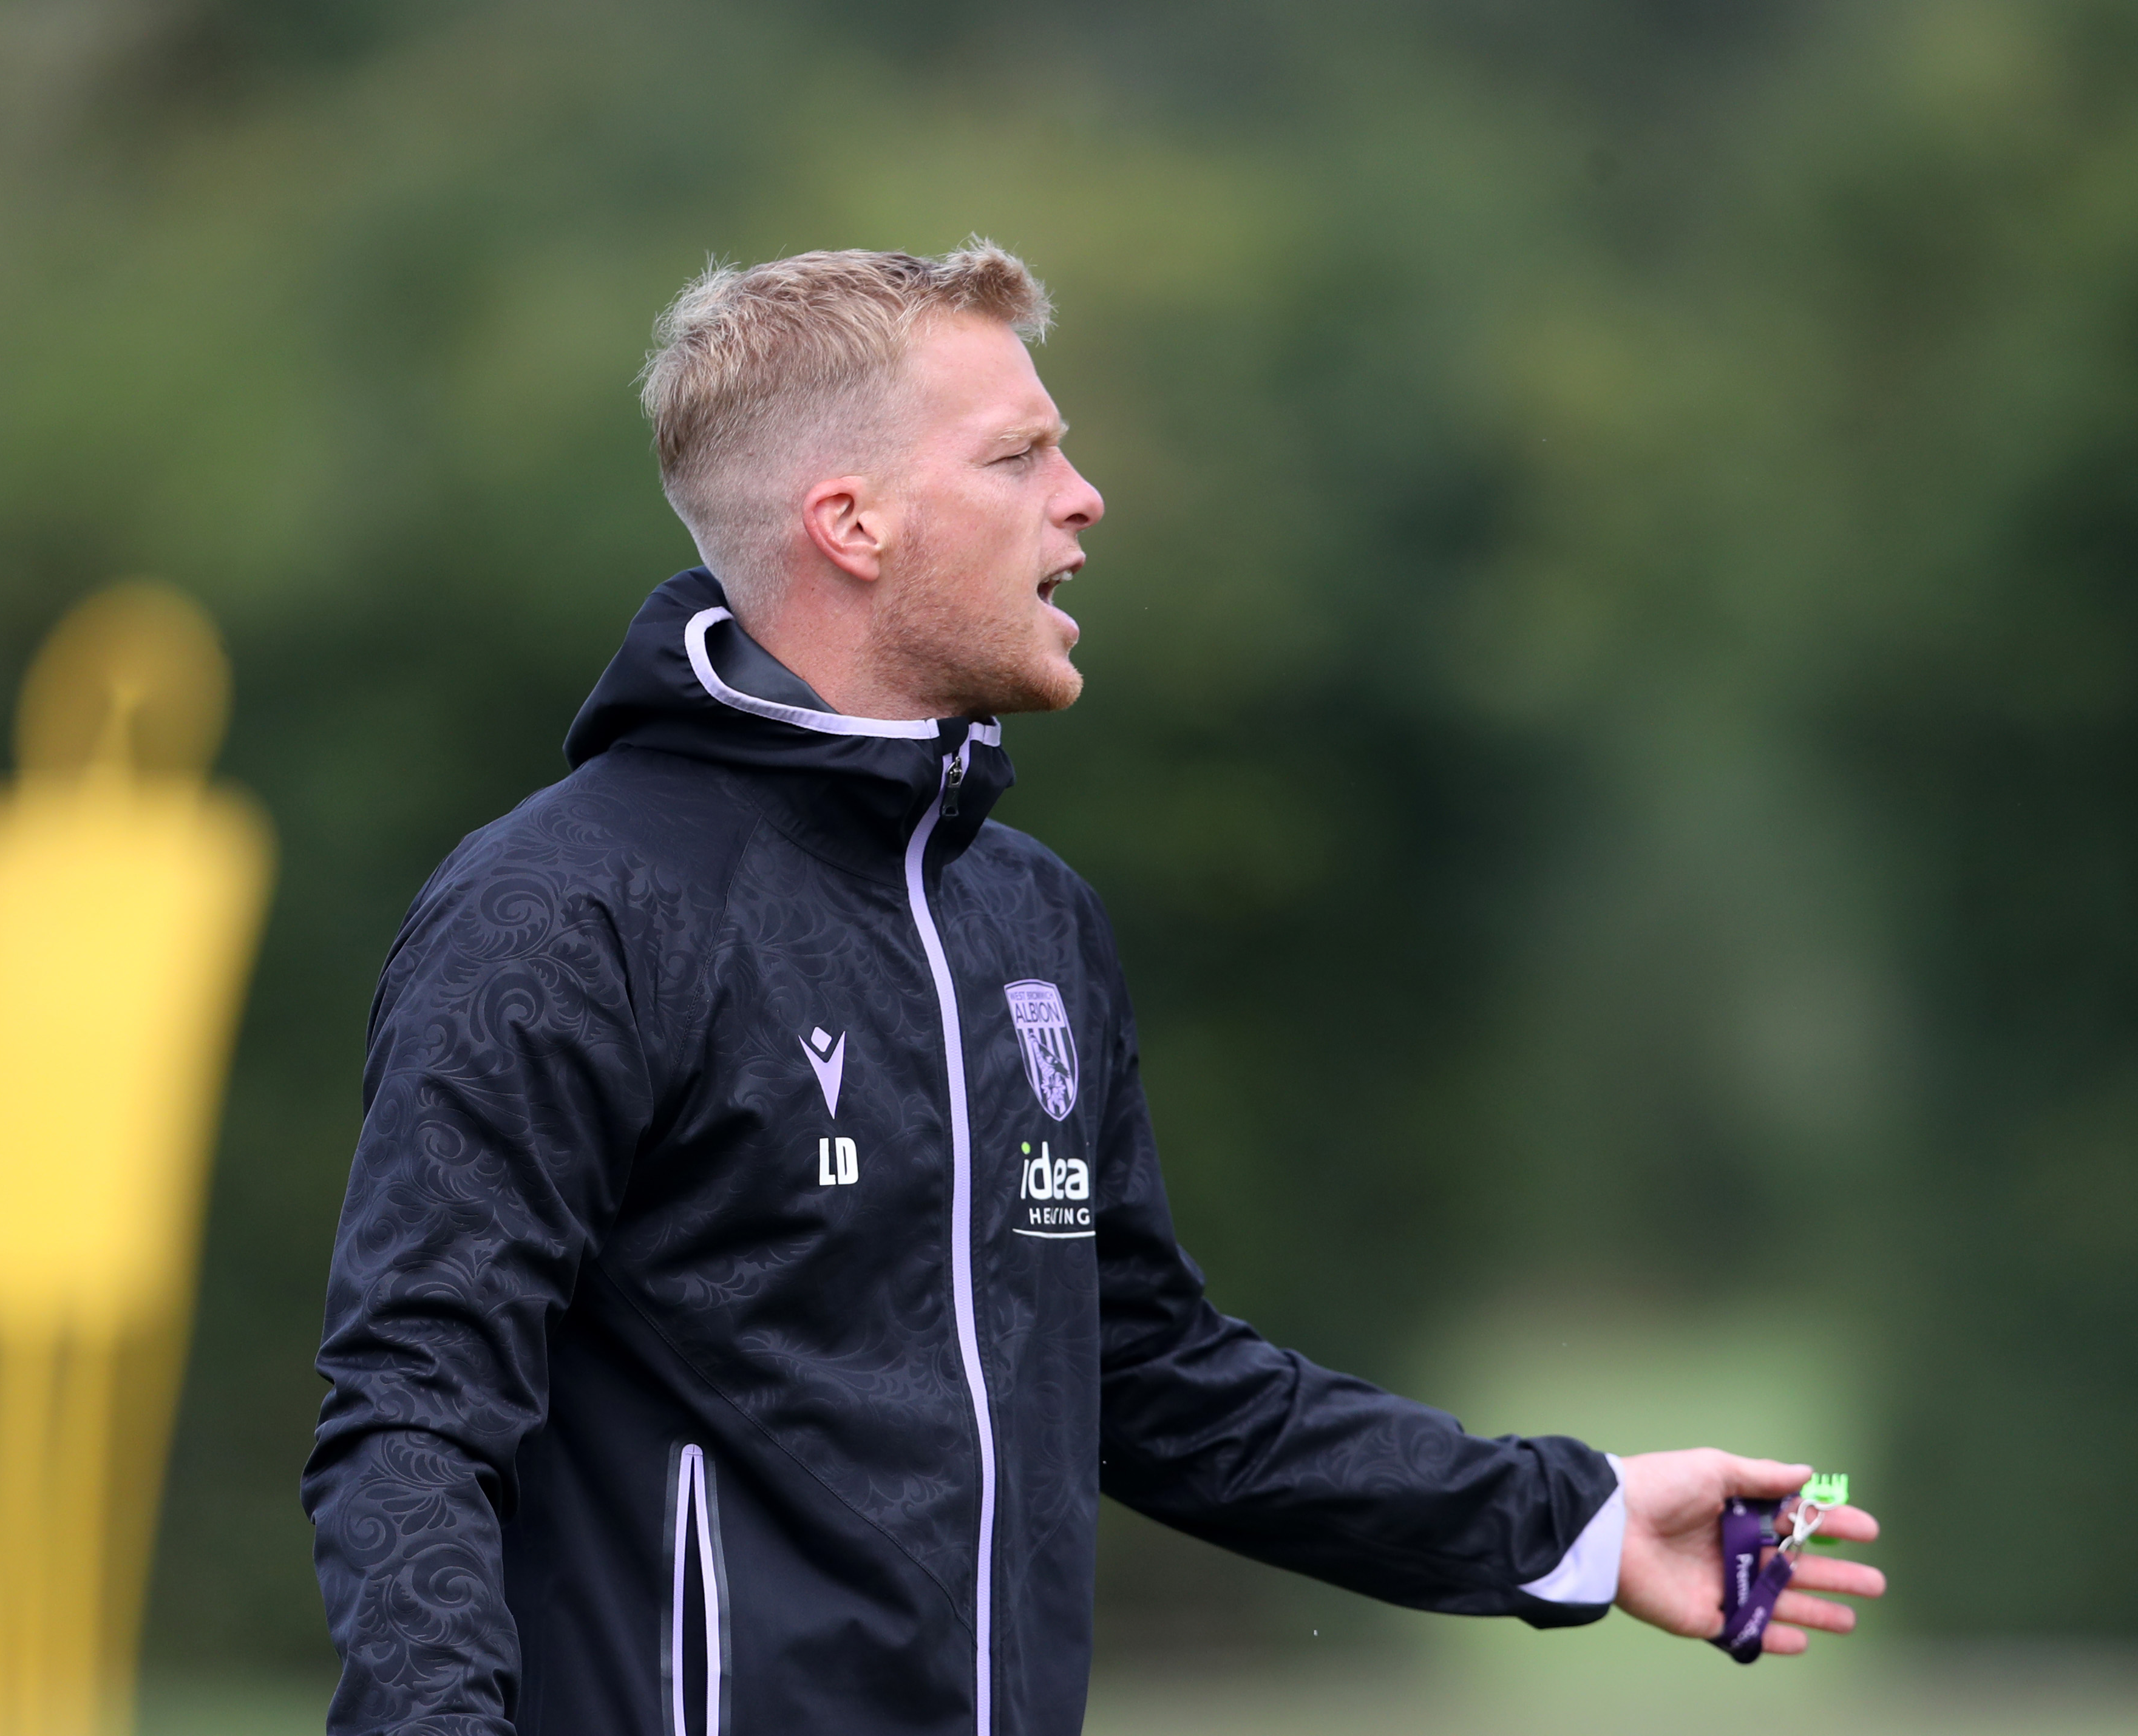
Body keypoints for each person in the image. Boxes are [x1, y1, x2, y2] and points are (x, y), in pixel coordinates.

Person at [302, 244, 1884, 1736]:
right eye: (1018, 458)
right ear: (853, 524)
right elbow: (410, 1417)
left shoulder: (1032, 915)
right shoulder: (563, 906)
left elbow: (1158, 1381)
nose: (1084, 499)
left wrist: (1585, 1520)